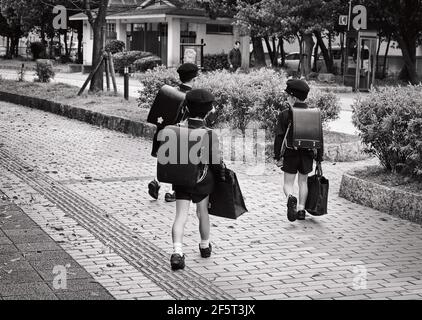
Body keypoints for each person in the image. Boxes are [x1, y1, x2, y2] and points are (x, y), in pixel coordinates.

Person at [169, 89, 225, 270]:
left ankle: (177, 252)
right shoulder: (209, 134)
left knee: (180, 216)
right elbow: (216, 162)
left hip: (182, 179)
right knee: (202, 213)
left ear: (186, 107)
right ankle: (204, 245)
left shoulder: (176, 130)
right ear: (208, 111)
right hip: (203, 180)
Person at [148, 63, 199, 202]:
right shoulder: (191, 97)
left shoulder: (170, 92)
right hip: (178, 136)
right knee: (177, 162)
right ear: (194, 79)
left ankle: (156, 182)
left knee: (164, 160)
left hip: (162, 133)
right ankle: (172, 191)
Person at [274, 79, 324, 222]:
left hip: (291, 153)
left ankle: (290, 198)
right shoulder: (314, 114)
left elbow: (279, 137)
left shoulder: (285, 114)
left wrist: (277, 156)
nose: (286, 98)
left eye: (288, 96)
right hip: (307, 154)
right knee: (303, 182)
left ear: (293, 97)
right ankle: (301, 210)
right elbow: (320, 137)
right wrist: (319, 158)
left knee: (288, 184)